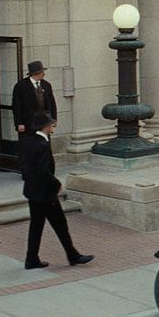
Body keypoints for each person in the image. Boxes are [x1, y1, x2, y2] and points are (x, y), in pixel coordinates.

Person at [21, 110, 93, 270]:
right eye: (51, 125)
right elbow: (43, 171)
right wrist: (57, 184)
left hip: (33, 192)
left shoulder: (28, 141)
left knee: (36, 226)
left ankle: (31, 259)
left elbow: (25, 166)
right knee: (60, 224)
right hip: (45, 194)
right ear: (46, 126)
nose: (53, 127)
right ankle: (73, 255)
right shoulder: (41, 144)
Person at [12, 61, 58, 144]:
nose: (44, 74)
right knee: (29, 145)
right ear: (36, 73)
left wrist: (53, 119)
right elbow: (16, 106)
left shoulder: (46, 85)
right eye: (42, 72)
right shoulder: (21, 86)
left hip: (44, 122)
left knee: (43, 145)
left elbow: (52, 102)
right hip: (28, 122)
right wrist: (19, 123)